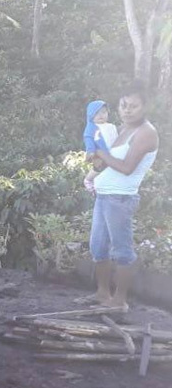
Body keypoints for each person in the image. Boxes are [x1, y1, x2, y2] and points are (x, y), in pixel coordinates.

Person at [87, 90, 158, 309]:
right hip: (104, 195)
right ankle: (102, 293)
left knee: (122, 251)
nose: (127, 110)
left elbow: (127, 168)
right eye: (123, 105)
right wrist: (94, 160)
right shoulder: (123, 129)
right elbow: (105, 163)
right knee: (98, 247)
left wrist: (102, 154)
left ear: (145, 107)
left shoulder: (146, 133)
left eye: (133, 106)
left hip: (121, 198)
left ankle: (119, 301)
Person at [82, 100, 118, 193]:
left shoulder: (111, 126)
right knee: (100, 166)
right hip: (99, 153)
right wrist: (91, 151)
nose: (101, 115)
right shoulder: (91, 128)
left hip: (112, 153)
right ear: (91, 114)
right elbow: (88, 139)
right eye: (97, 113)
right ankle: (88, 180)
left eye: (103, 112)